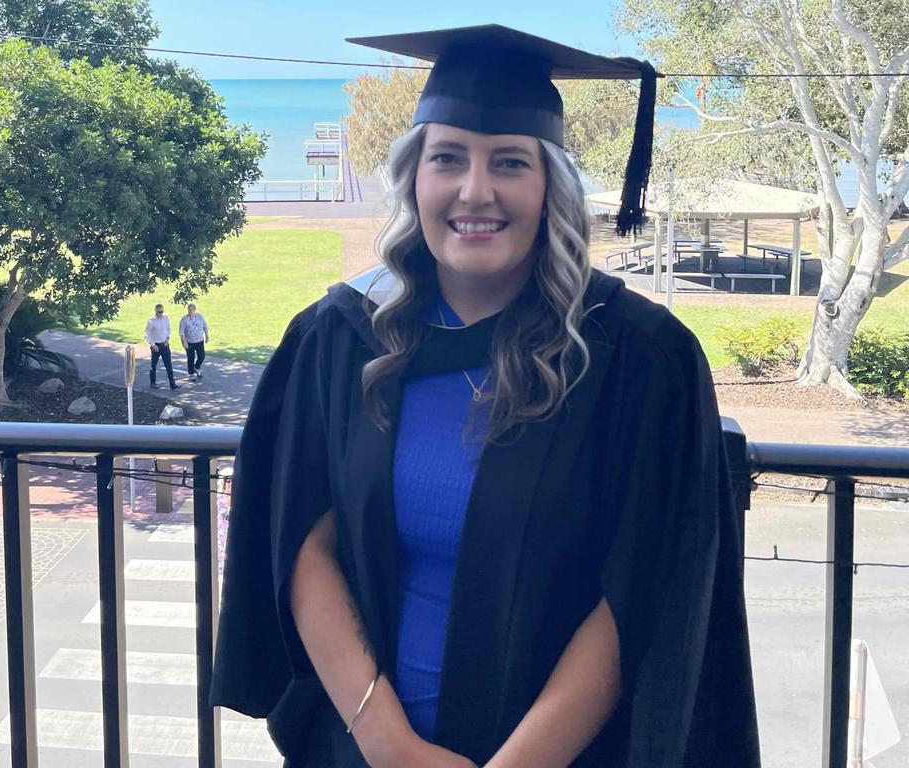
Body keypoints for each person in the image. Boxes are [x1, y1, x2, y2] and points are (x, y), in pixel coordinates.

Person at [212, 25, 760, 768]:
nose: (476, 191)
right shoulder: (340, 338)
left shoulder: (634, 358)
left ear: (549, 186)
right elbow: (304, 539)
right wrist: (391, 747)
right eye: (447, 159)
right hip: (364, 751)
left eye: (509, 162)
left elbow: (642, 591)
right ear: (413, 179)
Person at [145, 303, 178, 390]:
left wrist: (167, 338)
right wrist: (153, 345)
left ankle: (172, 383)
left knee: (168, 365)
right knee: (153, 365)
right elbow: (147, 335)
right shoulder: (151, 321)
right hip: (156, 345)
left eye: (162, 311)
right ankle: (153, 382)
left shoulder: (166, 319)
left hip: (165, 344)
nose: (161, 313)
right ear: (155, 311)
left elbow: (168, 329)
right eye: (159, 312)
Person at [179, 302, 210, 379]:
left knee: (202, 355)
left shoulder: (200, 317)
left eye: (191, 310)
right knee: (191, 357)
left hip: (199, 340)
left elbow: (205, 326)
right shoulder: (184, 319)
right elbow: (181, 332)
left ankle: (196, 367)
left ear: (195, 310)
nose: (190, 312)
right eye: (189, 310)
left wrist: (207, 336)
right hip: (189, 341)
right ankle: (191, 373)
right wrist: (184, 342)